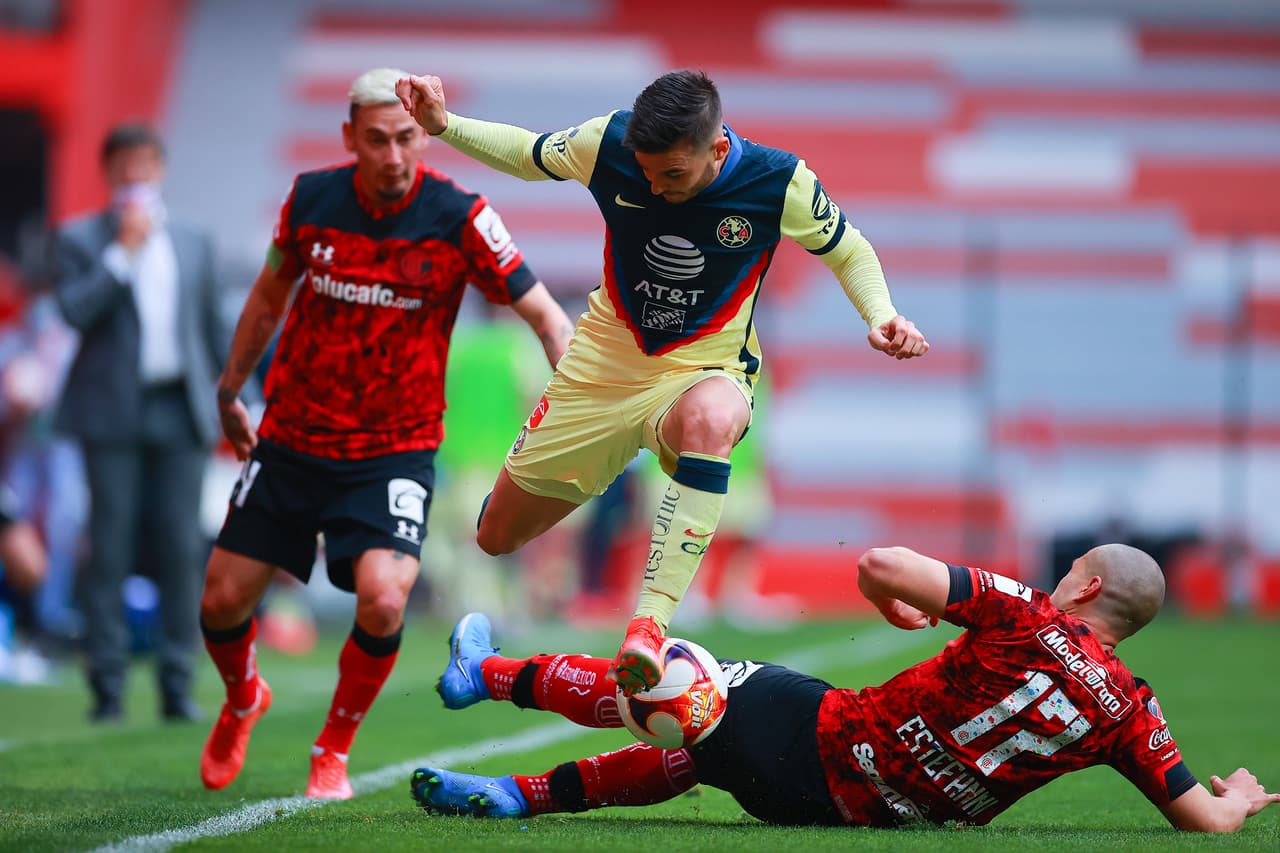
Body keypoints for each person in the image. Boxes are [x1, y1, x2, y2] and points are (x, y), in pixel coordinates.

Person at [396, 69, 930, 695]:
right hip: (602, 368)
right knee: (495, 538)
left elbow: (848, 248)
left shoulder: (778, 180)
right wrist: (443, 125)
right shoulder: (609, 143)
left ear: (718, 150)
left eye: (671, 174)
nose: (654, 186)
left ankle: (647, 625)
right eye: (646, 172)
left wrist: (882, 315)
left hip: (704, 368)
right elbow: (527, 153)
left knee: (712, 419)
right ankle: (585, 465)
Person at [198, 68, 574, 801]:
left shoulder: (460, 216)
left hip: (393, 448)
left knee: (384, 597)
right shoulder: (311, 200)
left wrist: (575, 407)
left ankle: (331, 749)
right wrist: (228, 389)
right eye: (378, 139)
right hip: (294, 435)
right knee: (220, 601)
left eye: (407, 137)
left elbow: (546, 316)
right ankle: (245, 696)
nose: (395, 154)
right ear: (351, 139)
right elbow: (269, 296)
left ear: (422, 136)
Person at [411, 544, 1279, 833]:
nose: (1061, 576)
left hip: (820, 740)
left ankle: (484, 673)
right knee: (702, 751)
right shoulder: (1134, 707)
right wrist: (1236, 794)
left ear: (1086, 588)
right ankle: (515, 796)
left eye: (1072, 570)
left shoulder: (1030, 616)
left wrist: (891, 603)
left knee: (680, 685)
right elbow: (1200, 820)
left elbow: (880, 564)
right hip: (852, 814)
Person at [50, 123, 230, 723]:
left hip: (178, 407)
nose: (136, 174)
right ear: (109, 172)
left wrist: (237, 394)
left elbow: (211, 327)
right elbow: (74, 312)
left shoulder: (193, 239)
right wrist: (121, 254)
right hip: (110, 411)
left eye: (145, 163)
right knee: (110, 547)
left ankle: (177, 683)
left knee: (182, 548)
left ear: (161, 168)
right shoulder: (79, 238)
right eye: (124, 165)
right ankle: (107, 686)